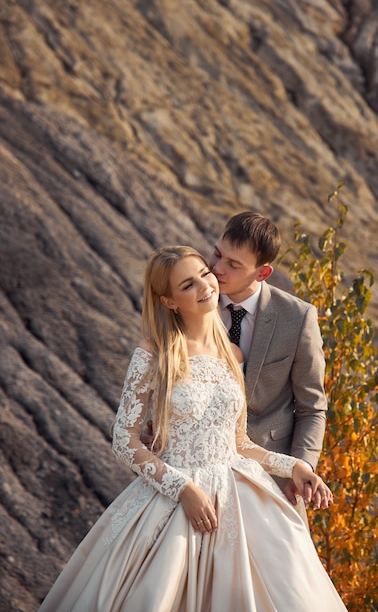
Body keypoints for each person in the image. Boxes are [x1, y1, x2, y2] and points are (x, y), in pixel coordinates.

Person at [38, 245, 346, 612]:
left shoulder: (233, 354)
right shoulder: (154, 352)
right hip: (173, 499)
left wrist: (294, 466)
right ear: (168, 300)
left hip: (241, 495)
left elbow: (238, 443)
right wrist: (182, 488)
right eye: (188, 284)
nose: (205, 285)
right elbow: (124, 439)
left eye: (204, 273)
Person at [209, 211, 328, 523]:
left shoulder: (297, 318)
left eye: (233, 265)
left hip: (271, 480)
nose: (217, 269)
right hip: (199, 475)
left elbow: (312, 408)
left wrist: (299, 468)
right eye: (217, 254)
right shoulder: (190, 303)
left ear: (262, 273)